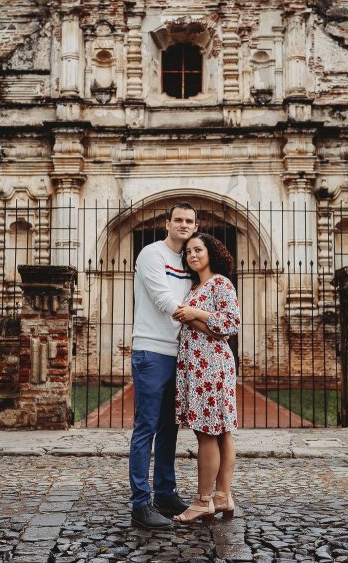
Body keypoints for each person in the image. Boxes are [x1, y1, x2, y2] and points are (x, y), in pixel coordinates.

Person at [128, 202, 197, 529]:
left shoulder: (189, 261)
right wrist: (207, 321)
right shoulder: (151, 254)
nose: (184, 225)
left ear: (195, 227)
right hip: (151, 350)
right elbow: (163, 300)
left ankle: (165, 493)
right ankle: (140, 503)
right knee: (147, 425)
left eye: (189, 221)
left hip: (179, 352)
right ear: (166, 223)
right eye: (178, 219)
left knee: (171, 426)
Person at [170, 232, 240, 523]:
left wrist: (193, 312)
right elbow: (209, 328)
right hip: (198, 364)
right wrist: (194, 315)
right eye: (188, 252)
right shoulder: (195, 286)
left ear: (211, 251)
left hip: (210, 365)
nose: (192, 255)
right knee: (221, 431)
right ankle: (223, 496)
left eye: (198, 249)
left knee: (207, 432)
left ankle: (203, 501)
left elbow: (229, 325)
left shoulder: (220, 283)